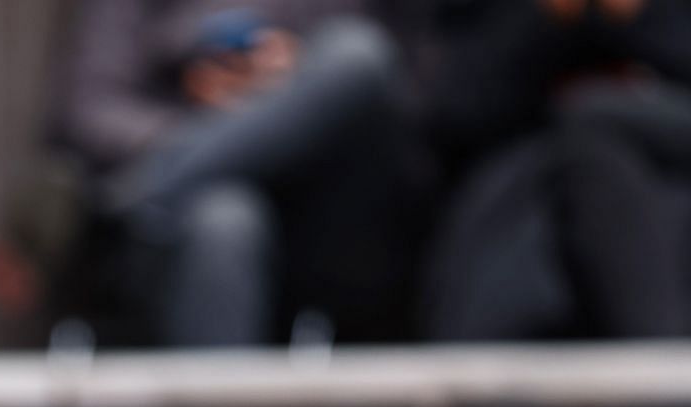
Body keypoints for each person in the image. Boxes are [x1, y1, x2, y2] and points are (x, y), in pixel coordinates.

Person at [57, 1, 428, 347]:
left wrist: (284, 87)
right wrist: (208, 121)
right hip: (187, 225)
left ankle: (159, 184)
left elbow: (402, 85)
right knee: (226, 216)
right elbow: (91, 110)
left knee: (356, 53)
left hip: (316, 209)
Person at [419, 0, 691, 340]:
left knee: (596, 131)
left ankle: (665, 373)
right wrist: (547, 18)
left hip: (666, 166)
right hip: (528, 177)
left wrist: (640, 17)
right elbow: (450, 111)